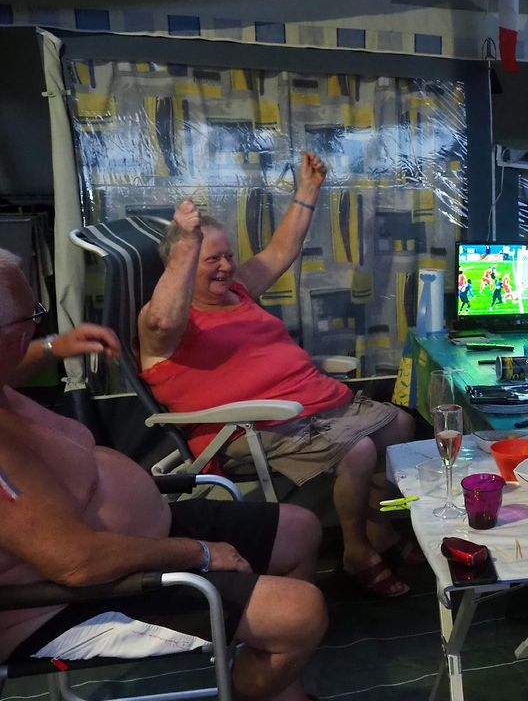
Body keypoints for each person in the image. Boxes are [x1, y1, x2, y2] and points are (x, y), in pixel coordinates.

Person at [0, 249, 326, 701]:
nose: (37, 328)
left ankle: (274, 681)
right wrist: (199, 553)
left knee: (300, 529)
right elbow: (76, 562)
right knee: (300, 613)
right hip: (66, 602)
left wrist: (55, 347)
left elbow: (11, 357)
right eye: (31, 319)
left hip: (129, 544)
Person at [138, 152, 417, 599]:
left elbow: (280, 251)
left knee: (401, 426)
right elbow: (161, 322)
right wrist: (187, 245)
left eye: (228, 256)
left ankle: (378, 529)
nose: (226, 266)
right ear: (183, 263)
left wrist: (308, 189)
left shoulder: (237, 292)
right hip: (252, 426)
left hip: (317, 407)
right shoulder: (166, 323)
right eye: (211, 259)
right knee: (359, 450)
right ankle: (356, 551)